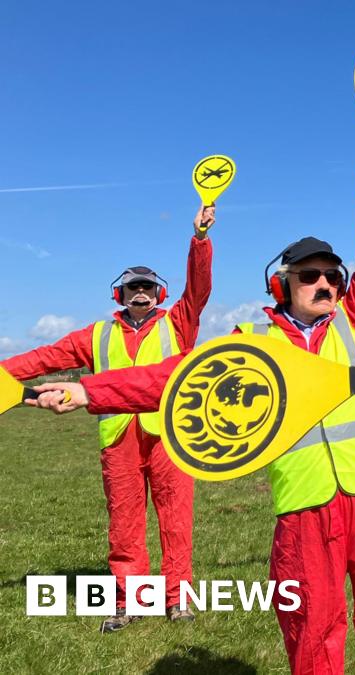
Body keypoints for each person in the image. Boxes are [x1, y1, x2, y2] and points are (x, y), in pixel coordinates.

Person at [33, 143, 355, 674]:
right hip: (304, 507)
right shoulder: (252, 340)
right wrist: (90, 392)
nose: (325, 284)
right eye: (310, 276)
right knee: (311, 629)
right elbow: (175, 378)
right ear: (281, 284)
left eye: (333, 276)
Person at [4, 205, 214, 633]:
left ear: (160, 294)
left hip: (170, 436)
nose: (141, 293)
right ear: (120, 295)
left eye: (148, 287)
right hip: (118, 440)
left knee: (176, 518)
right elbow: (44, 357)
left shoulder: (179, 323)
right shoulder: (96, 335)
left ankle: (178, 598)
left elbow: (199, 288)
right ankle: (130, 601)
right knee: (124, 523)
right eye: (134, 287)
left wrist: (200, 241)